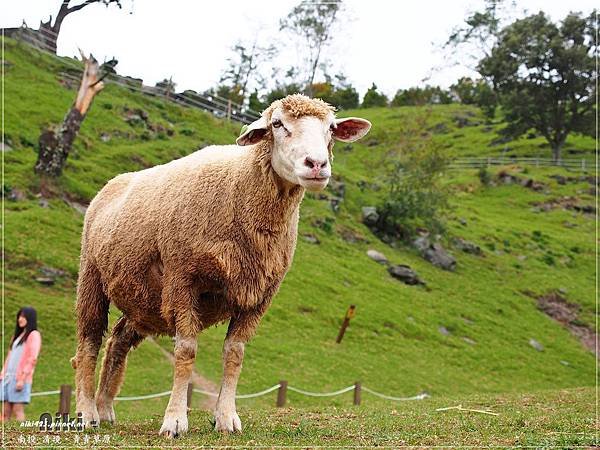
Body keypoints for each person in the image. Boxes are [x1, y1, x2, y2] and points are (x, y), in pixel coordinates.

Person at [0, 307, 42, 421]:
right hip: (8, 378)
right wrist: (2, 374)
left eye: (23, 316)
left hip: (19, 378)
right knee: (4, 411)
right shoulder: (16, 337)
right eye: (19, 316)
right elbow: (9, 356)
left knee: (17, 410)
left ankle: (20, 434)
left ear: (30, 318)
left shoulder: (33, 335)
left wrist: (22, 379)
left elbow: (32, 358)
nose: (20, 319)